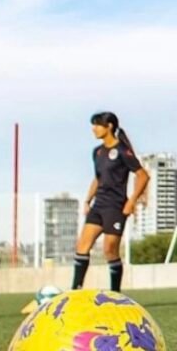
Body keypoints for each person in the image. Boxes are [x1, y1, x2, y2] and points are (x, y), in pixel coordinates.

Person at [71, 111, 150, 293]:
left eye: (98, 125)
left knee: (109, 250)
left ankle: (115, 293)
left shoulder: (122, 150)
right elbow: (98, 178)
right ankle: (75, 289)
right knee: (82, 246)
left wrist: (131, 201)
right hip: (99, 205)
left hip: (115, 207)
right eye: (93, 125)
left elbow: (143, 176)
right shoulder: (97, 152)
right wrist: (88, 199)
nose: (94, 129)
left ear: (109, 127)